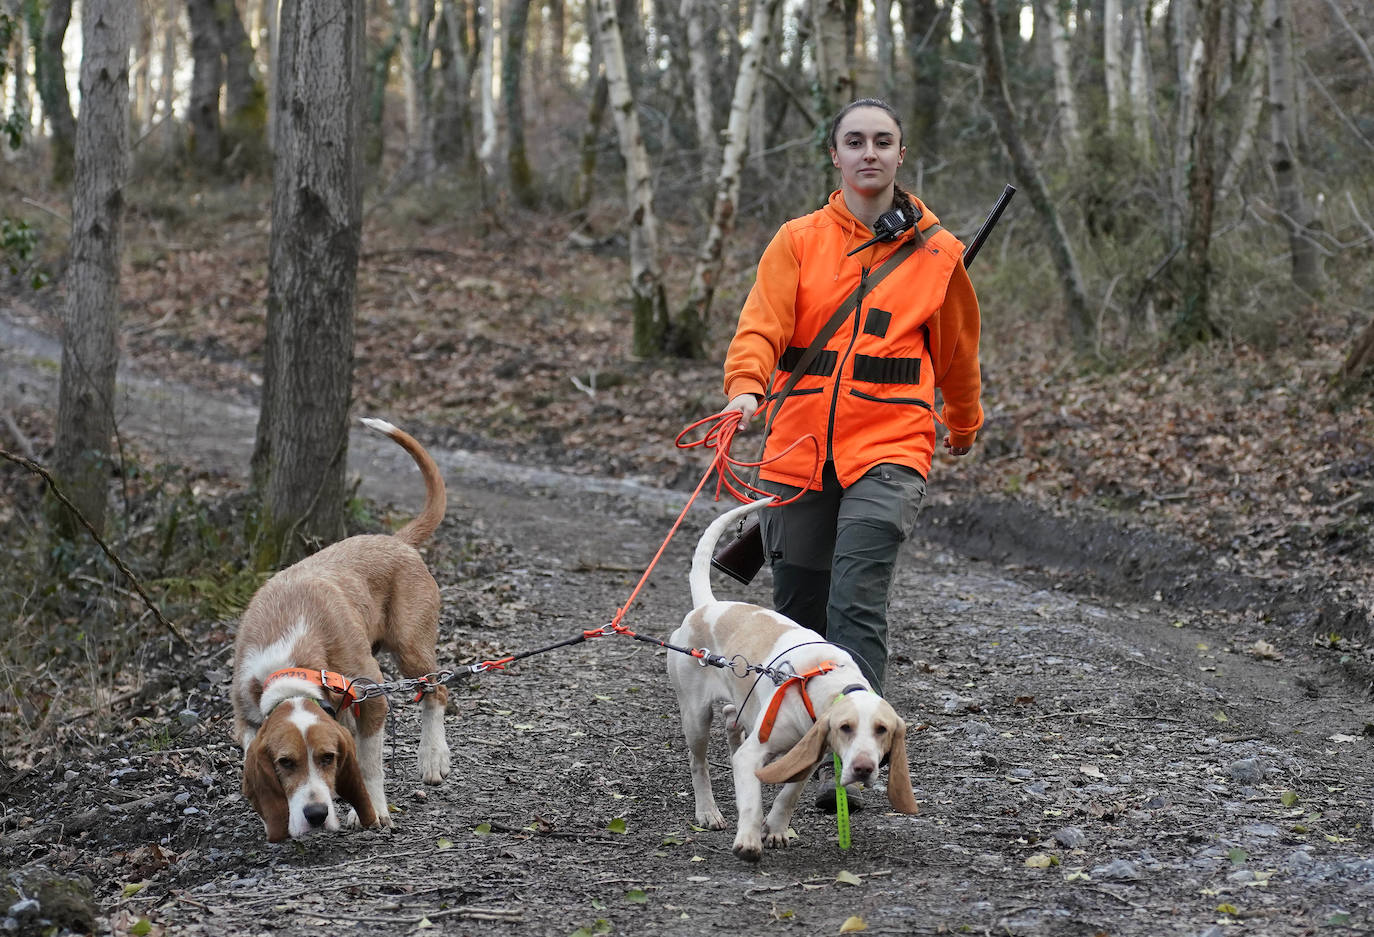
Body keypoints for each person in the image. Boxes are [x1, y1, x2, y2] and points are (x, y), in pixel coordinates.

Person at [721, 97, 984, 808]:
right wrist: (746, 389)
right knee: (800, 611)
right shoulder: (798, 239)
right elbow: (760, 326)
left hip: (892, 449)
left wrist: (962, 421)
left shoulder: (940, 253)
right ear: (834, 156)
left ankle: (856, 759)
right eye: (855, 141)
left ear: (902, 155)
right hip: (799, 448)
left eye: (884, 141)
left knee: (857, 600)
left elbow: (958, 353)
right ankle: (796, 741)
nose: (870, 152)